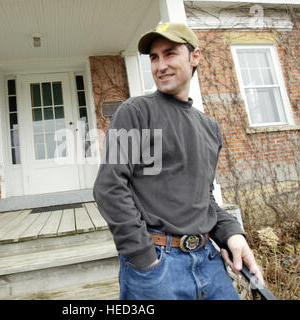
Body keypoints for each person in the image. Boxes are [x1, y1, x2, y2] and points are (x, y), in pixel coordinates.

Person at [93, 22, 264, 300]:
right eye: (154, 57)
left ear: (194, 57)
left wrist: (233, 234)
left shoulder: (210, 128)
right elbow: (109, 187)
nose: (161, 66)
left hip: (209, 262)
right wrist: (144, 257)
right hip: (157, 267)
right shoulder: (135, 112)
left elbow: (204, 198)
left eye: (170, 54)